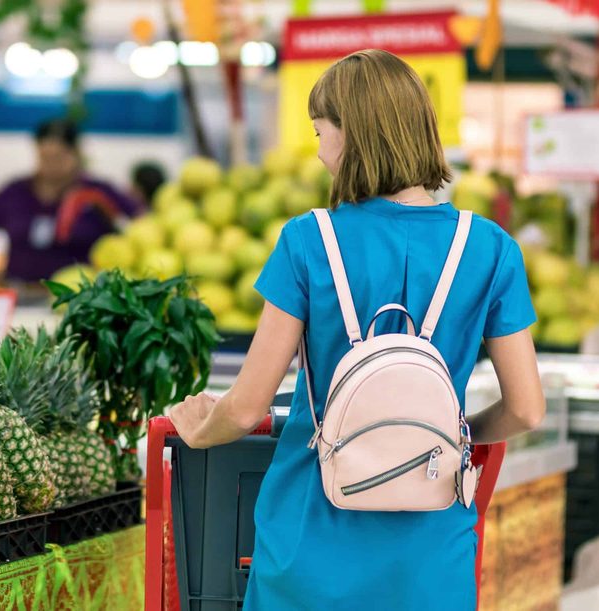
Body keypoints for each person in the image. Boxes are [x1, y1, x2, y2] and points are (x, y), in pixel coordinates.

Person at [168, 49, 545, 610]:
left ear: (354, 136)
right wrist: (453, 438)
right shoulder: (490, 249)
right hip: (431, 549)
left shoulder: (308, 242)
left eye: (321, 132)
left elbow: (248, 407)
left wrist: (201, 430)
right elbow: (527, 410)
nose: (319, 152)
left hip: (309, 540)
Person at [0, 119, 143, 284]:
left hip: (82, 298)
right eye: (44, 157)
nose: (51, 165)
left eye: (58, 157)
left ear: (76, 154)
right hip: (20, 293)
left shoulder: (98, 193)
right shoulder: (15, 192)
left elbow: (140, 225)